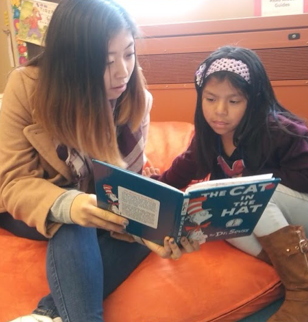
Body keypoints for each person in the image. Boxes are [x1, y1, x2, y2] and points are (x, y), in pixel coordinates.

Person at [0, 1, 194, 321]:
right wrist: (74, 206)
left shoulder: (135, 96)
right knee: (74, 220)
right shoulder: (26, 86)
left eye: (129, 53)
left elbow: (120, 190)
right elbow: (13, 182)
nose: (123, 71)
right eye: (106, 61)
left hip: (99, 201)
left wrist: (150, 230)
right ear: (71, 63)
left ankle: (47, 314)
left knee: (152, 225)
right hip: (30, 200)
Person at [148, 46, 308, 322]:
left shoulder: (278, 130)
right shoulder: (208, 137)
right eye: (210, 99)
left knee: (250, 195)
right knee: (219, 215)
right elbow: (180, 172)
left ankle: (304, 294)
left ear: (253, 101)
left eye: (234, 101)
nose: (220, 111)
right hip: (281, 230)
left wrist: (253, 182)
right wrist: (153, 186)